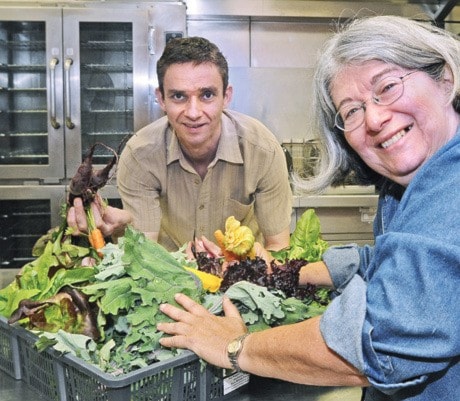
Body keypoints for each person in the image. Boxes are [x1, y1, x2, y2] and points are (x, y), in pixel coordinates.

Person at [157, 15, 460, 401]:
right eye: (351, 111)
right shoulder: (412, 184)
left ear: (445, 79)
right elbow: (392, 264)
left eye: (387, 86)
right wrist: (287, 273)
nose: (375, 118)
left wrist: (236, 347)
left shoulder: (452, 188)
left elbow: (379, 345)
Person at [67, 37, 292, 252]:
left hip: (243, 277)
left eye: (206, 95)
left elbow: (278, 246)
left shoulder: (263, 150)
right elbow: (146, 254)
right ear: (162, 99)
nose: (193, 113)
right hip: (166, 275)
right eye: (178, 96)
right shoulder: (140, 155)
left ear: (226, 96)